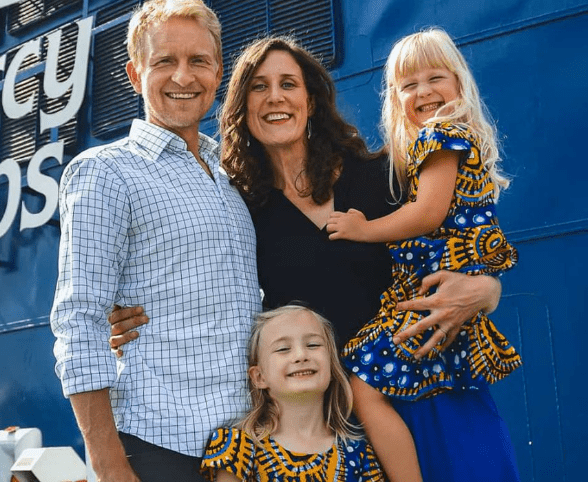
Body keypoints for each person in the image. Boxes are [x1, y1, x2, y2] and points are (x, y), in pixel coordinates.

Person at [110, 35, 518, 481]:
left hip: (434, 387)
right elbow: (198, 284)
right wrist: (127, 314)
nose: (275, 97)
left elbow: (462, 239)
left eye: (289, 83)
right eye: (259, 87)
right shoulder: (241, 209)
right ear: (242, 107)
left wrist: (487, 289)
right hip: (336, 427)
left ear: (311, 100)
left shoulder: (383, 175)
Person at [49, 1, 261, 481]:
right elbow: (79, 319)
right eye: (165, 61)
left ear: (218, 72)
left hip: (241, 445)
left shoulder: (229, 180)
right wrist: (109, 467)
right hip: (158, 445)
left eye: (198, 61)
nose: (182, 76)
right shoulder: (106, 172)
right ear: (134, 73)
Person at [325, 28, 521, 481]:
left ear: (460, 82)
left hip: (430, 294)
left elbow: (427, 214)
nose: (424, 91)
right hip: (440, 292)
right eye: (408, 85)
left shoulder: (440, 138)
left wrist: (363, 229)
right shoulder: (454, 140)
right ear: (395, 97)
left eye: (435, 77)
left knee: (362, 381)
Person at [200, 304, 385, 482]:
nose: (300, 355)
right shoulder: (238, 446)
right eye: (283, 349)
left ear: (331, 367)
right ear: (259, 377)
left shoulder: (359, 454)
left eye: (313, 345)